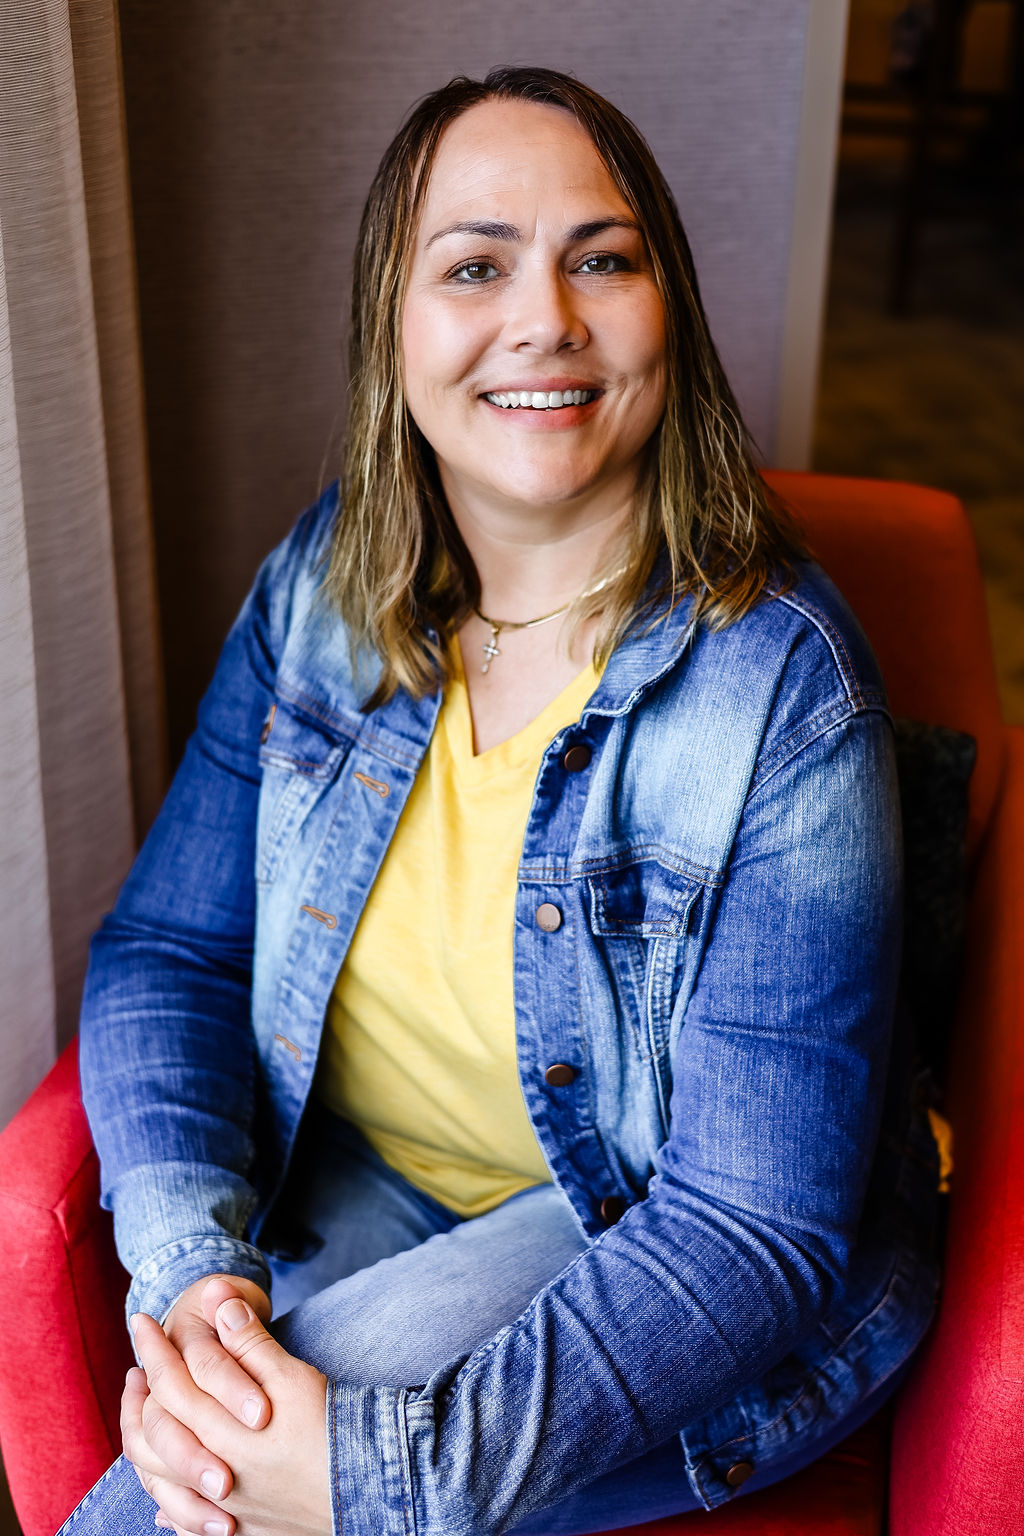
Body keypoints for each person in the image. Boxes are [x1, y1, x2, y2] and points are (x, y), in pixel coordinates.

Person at [59, 66, 941, 1536]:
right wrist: (193, 1272)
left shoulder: (783, 687)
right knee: (221, 1442)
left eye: (604, 258)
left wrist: (383, 1472)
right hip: (351, 1188)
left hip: (647, 1245)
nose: (549, 318)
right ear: (392, 330)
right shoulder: (327, 584)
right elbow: (171, 954)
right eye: (476, 265)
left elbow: (755, 1227)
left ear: (671, 315)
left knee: (184, 1502)